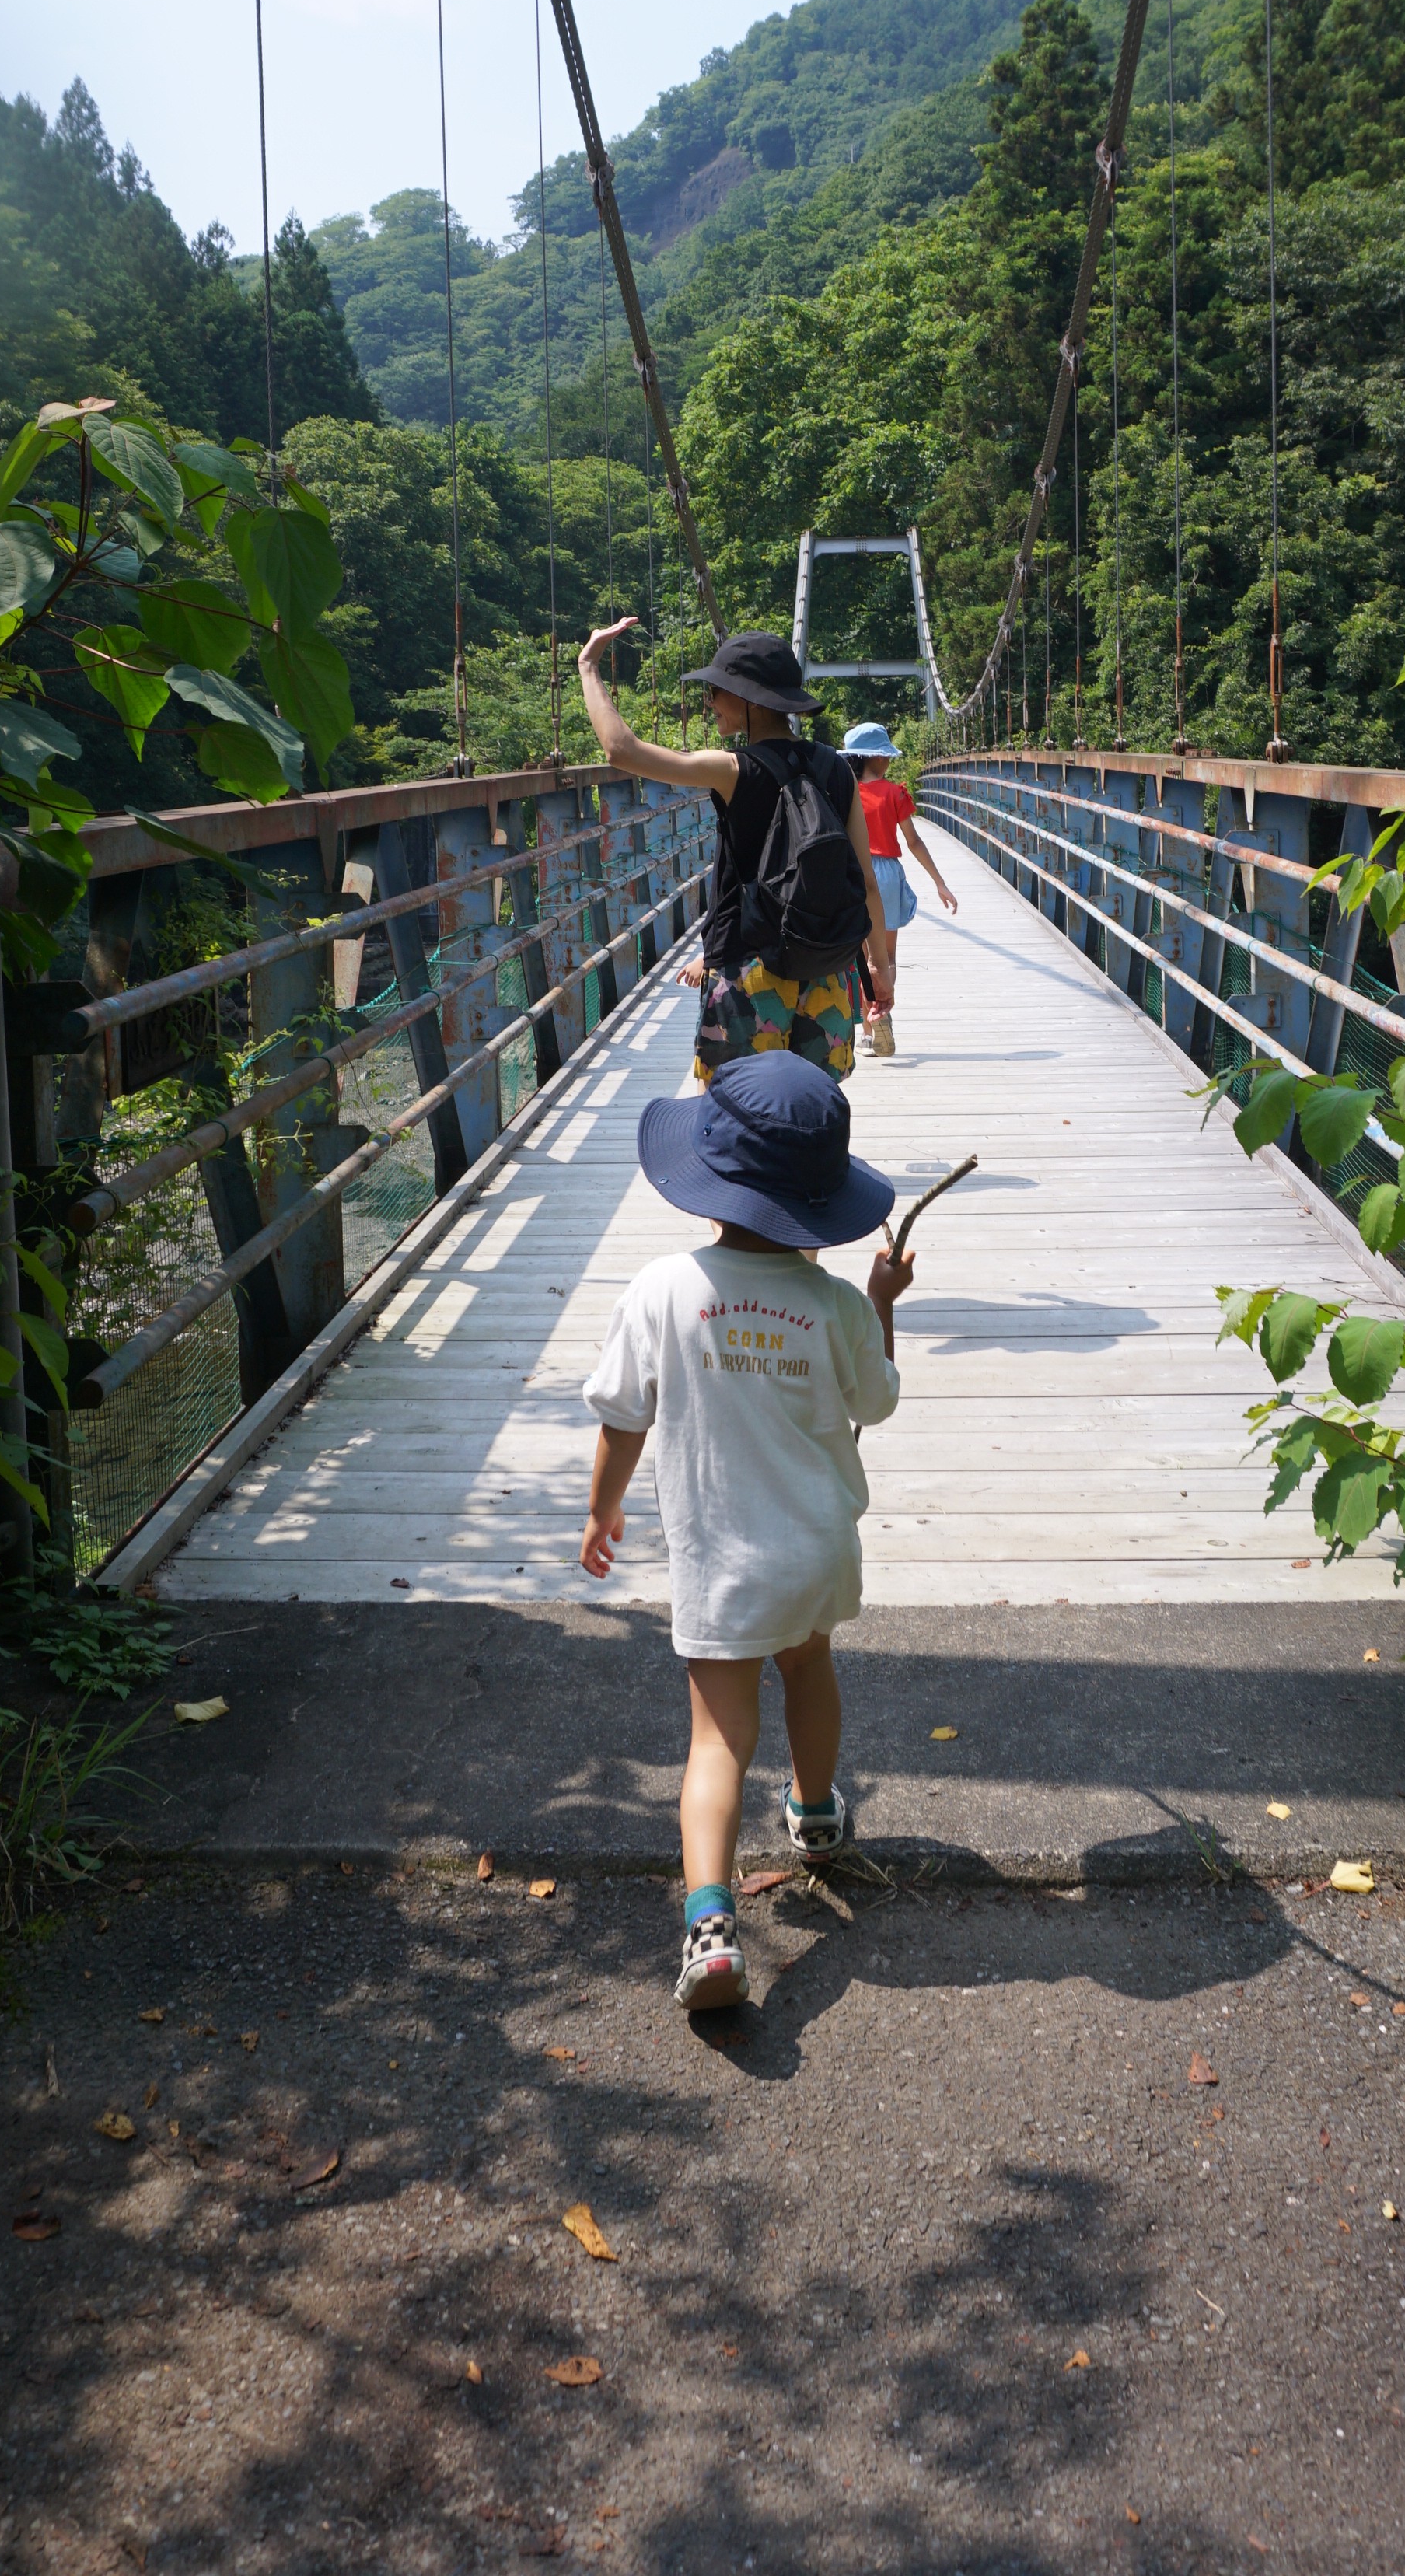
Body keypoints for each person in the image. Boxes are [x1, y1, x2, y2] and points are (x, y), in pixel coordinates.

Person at [578, 1050, 914, 2012]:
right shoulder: (838, 1305)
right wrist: (884, 1303)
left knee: (719, 1738)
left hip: (720, 1558)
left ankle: (712, 1928)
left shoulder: (660, 1289)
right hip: (813, 1547)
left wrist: (604, 1508)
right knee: (809, 1669)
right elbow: (877, 1404)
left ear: (708, 1179)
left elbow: (621, 1417)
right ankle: (814, 1818)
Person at [575, 620, 889, 1086]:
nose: (709, 703)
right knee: (810, 1117)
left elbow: (621, 750)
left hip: (750, 973)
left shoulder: (732, 770)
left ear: (749, 698)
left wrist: (588, 667)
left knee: (734, 1120)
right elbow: (865, 881)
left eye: (717, 691)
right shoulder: (838, 770)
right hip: (828, 972)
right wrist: (880, 966)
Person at [841, 722, 958, 1058]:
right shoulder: (895, 793)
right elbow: (914, 841)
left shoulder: (845, 793)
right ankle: (884, 1013)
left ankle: (867, 1032)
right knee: (887, 957)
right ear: (878, 759)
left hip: (857, 873)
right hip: (888, 876)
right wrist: (939, 882)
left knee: (864, 960)